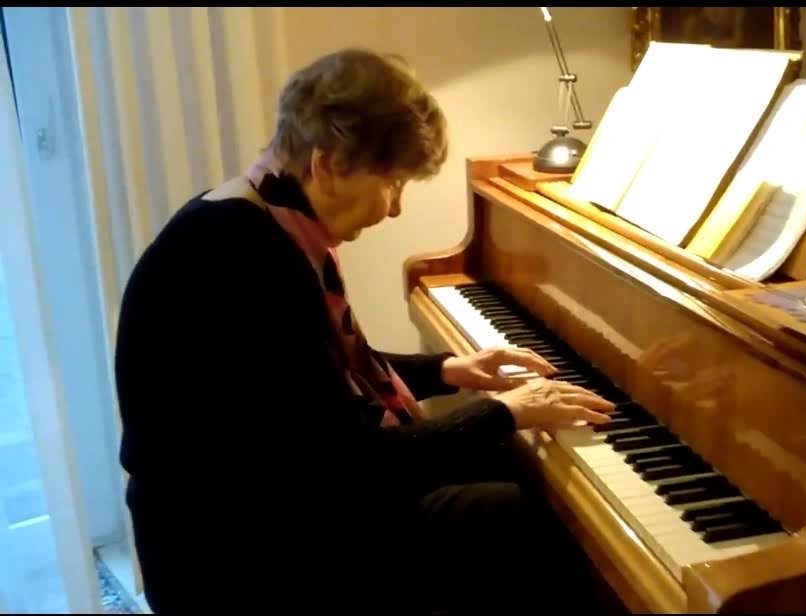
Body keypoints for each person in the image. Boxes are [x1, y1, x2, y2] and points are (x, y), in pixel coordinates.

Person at [113, 48, 620, 613]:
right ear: (329, 164)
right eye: (393, 183)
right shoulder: (238, 257)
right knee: (520, 518)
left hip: (269, 505)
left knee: (502, 466)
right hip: (236, 558)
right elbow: (352, 465)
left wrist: (448, 370)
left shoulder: (255, 215)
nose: (396, 209)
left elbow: (314, 379)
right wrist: (503, 412)